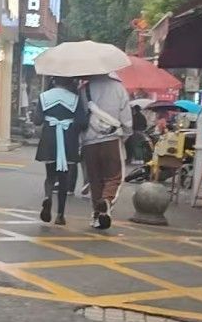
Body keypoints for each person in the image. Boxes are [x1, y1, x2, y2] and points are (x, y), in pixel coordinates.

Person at [81, 72, 133, 230]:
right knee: (114, 177)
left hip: (89, 141)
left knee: (95, 180)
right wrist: (127, 133)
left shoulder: (83, 89)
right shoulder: (118, 88)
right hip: (111, 139)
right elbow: (126, 116)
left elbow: (80, 117)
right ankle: (106, 200)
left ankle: (97, 215)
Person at [33, 77, 88, 226]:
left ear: (54, 81)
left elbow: (37, 120)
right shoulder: (75, 99)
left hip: (49, 138)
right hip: (67, 139)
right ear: (70, 82)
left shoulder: (44, 96)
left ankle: (47, 196)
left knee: (50, 176)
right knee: (64, 178)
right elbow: (83, 122)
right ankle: (60, 215)